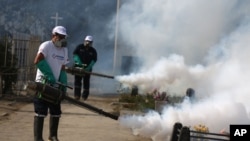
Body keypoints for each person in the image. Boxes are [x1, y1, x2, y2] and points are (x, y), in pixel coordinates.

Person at [33, 26, 69, 141]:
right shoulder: (46, 46)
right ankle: (38, 138)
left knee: (56, 112)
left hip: (55, 85)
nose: (62, 39)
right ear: (54, 36)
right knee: (40, 111)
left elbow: (63, 68)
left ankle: (53, 136)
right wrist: (49, 75)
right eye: (60, 37)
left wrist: (63, 82)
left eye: (64, 37)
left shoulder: (64, 50)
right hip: (42, 84)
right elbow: (38, 60)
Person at [73, 35, 97, 100]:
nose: (88, 43)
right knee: (77, 81)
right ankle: (77, 95)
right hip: (78, 67)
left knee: (86, 82)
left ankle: (84, 96)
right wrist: (79, 63)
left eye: (89, 42)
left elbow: (94, 60)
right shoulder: (79, 47)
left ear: (92, 43)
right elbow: (75, 55)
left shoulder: (93, 51)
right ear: (84, 41)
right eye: (87, 41)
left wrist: (88, 67)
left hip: (87, 69)